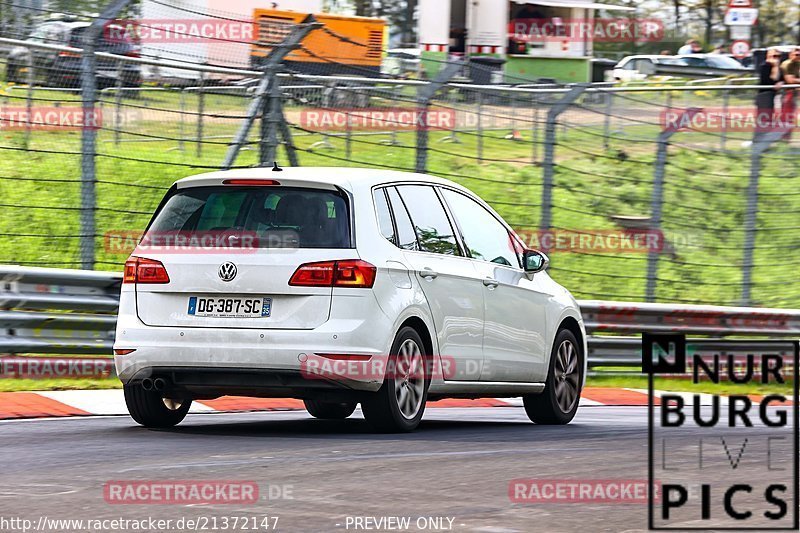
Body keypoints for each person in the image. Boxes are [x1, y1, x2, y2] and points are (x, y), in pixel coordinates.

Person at [756, 48, 784, 133]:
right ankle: (758, 140)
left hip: (772, 95)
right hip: (764, 95)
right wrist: (775, 66)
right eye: (774, 56)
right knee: (764, 119)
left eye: (778, 56)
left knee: (770, 119)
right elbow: (773, 79)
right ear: (768, 56)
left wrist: (781, 82)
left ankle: (766, 140)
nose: (776, 58)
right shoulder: (765, 66)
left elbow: (781, 79)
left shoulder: (779, 67)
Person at [779, 47, 799, 139]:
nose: (798, 57)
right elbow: (790, 80)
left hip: (794, 93)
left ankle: (787, 138)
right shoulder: (787, 64)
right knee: (785, 116)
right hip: (787, 93)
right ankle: (783, 137)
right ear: (790, 55)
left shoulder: (797, 64)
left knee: (790, 117)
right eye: (797, 55)